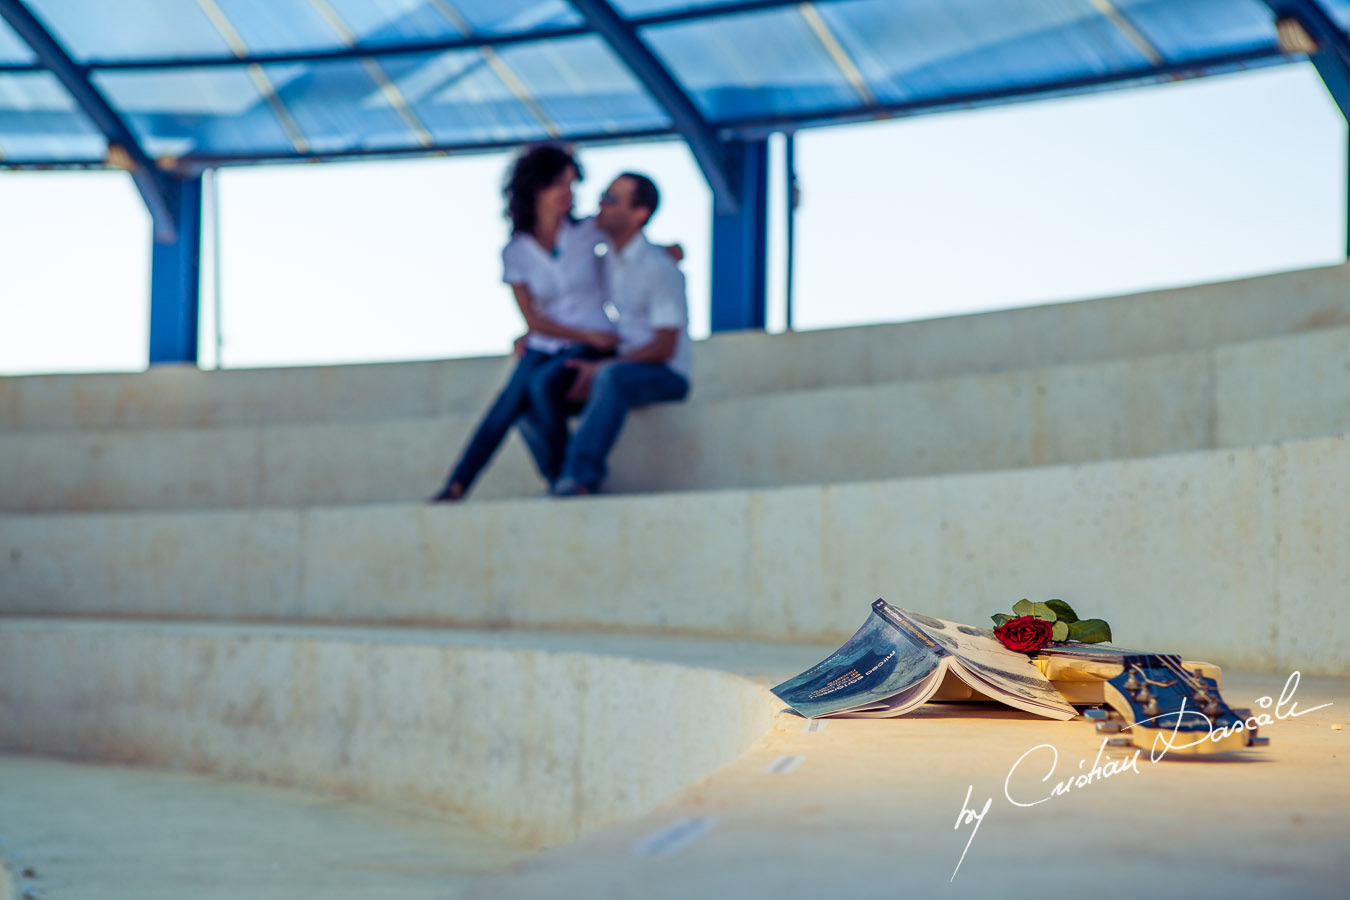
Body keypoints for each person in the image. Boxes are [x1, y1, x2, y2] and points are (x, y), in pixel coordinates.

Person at [430, 144, 615, 502]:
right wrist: (575, 333)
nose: (567, 193)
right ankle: (460, 484)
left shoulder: (588, 232)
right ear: (535, 188)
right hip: (552, 341)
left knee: (541, 387)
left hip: (591, 342)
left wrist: (668, 251)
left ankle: (566, 475)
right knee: (508, 403)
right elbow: (533, 318)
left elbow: (630, 244)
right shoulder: (516, 252)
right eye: (557, 184)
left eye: (570, 185)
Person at [543, 172, 692, 496]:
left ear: (639, 215)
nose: (601, 205)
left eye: (612, 199)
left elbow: (665, 347)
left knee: (611, 378)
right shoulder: (605, 258)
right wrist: (533, 331)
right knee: (537, 386)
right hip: (620, 362)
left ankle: (580, 477)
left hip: (664, 374)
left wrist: (602, 367)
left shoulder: (659, 269)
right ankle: (559, 476)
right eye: (602, 196)